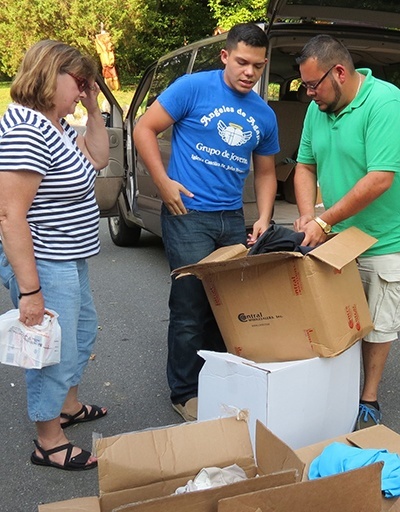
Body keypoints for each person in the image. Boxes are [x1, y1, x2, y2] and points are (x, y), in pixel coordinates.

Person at [133, 23, 279, 421]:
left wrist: (264, 216)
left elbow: (265, 172)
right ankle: (184, 391)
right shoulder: (192, 88)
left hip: (231, 217)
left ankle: (217, 381)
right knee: (190, 303)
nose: (250, 72)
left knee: (226, 305)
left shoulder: (263, 114)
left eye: (258, 66)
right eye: (243, 62)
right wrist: (163, 183)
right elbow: (143, 127)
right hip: (187, 214)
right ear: (225, 57)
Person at [0, 40, 110, 470]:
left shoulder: (57, 125)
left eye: (87, 83)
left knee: (81, 333)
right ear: (51, 74)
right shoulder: (27, 129)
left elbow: (99, 159)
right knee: (50, 350)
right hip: (45, 262)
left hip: (68, 257)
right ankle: (48, 440)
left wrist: (94, 108)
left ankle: (68, 406)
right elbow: (10, 215)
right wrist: (30, 291)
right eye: (79, 81)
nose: (83, 90)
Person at [293, 34, 400, 429]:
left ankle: (368, 397)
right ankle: (333, 391)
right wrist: (307, 215)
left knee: (378, 322)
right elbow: (304, 165)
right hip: (337, 237)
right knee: (336, 317)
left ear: (339, 72)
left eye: (312, 85)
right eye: (304, 86)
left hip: (383, 239)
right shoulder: (318, 109)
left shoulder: (385, 102)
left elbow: (380, 179)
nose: (308, 95)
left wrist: (325, 220)